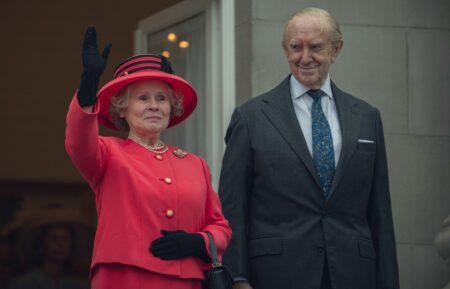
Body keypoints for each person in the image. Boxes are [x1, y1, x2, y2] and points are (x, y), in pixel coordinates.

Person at [218, 7, 399, 289]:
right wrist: (237, 277)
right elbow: (233, 206)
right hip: (276, 274)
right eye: (295, 47)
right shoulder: (251, 117)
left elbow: (380, 212)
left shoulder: (366, 116)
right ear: (285, 50)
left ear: (336, 49)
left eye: (316, 47)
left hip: (353, 274)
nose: (305, 57)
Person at [65, 27, 231, 289]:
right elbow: (77, 141)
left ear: (171, 107)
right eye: (143, 98)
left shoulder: (194, 164)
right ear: (123, 108)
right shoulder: (107, 154)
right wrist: (88, 84)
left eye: (161, 98)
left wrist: (199, 242)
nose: (154, 105)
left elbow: (219, 226)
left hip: (185, 282)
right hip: (124, 279)